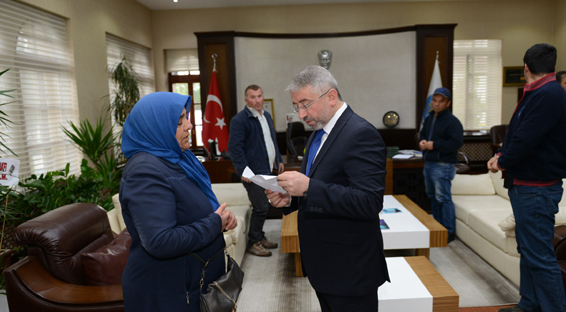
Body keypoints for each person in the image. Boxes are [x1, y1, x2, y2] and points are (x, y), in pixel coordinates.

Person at [266, 65, 389, 312]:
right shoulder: (318, 132)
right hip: (326, 266)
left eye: (305, 104)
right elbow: (324, 185)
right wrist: (291, 199)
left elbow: (369, 202)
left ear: (331, 97)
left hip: (351, 271)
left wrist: (309, 187)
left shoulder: (361, 134)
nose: (301, 114)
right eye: (296, 106)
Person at [119, 92, 237, 312]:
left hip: (193, 284)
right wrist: (214, 223)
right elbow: (160, 241)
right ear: (156, 126)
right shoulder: (144, 171)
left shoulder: (178, 158)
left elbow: (191, 209)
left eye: (187, 117)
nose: (190, 125)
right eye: (179, 120)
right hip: (168, 293)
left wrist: (220, 217)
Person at [487, 43, 566, 312]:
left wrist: (502, 160)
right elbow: (519, 134)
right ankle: (529, 305)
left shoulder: (547, 94)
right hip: (528, 186)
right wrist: (502, 153)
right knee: (529, 253)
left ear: (526, 68)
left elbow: (526, 140)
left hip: (536, 190)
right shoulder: (543, 91)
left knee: (540, 258)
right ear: (553, 68)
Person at [229, 84, 283, 257]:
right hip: (252, 173)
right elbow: (235, 148)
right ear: (246, 100)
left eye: (260, 96)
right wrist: (243, 170)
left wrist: (279, 160)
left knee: (265, 205)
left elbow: (272, 140)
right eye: (253, 97)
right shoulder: (240, 120)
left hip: (268, 169)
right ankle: (253, 242)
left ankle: (259, 236)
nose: (257, 100)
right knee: (260, 207)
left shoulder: (266, 116)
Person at [418, 87, 463, 243]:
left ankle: (449, 231)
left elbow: (456, 143)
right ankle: (437, 226)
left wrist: (434, 145)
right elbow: (423, 134)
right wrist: (422, 142)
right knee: (432, 197)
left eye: (441, 101)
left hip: (443, 165)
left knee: (443, 198)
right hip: (429, 163)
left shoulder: (453, 122)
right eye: (434, 101)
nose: (437, 104)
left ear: (448, 103)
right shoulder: (430, 118)